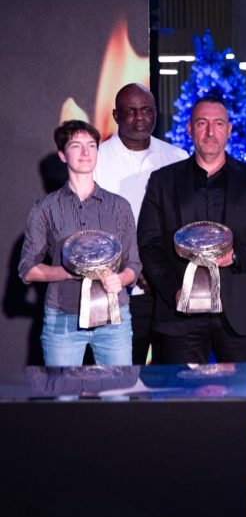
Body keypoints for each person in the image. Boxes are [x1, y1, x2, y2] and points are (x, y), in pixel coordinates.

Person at [137, 95, 246, 363]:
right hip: (179, 314)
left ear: (229, 129)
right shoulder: (163, 181)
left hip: (239, 312)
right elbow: (149, 243)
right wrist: (173, 290)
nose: (210, 132)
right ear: (190, 128)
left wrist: (236, 256)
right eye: (202, 123)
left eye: (218, 123)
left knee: (242, 390)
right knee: (182, 390)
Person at [19, 120, 140, 366]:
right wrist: (69, 272)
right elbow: (27, 269)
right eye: (76, 145)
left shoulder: (119, 206)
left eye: (91, 145)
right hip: (62, 320)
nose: (85, 152)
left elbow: (134, 265)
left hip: (113, 320)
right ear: (63, 155)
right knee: (63, 390)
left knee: (117, 390)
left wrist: (120, 279)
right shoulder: (45, 208)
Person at [95, 83, 189, 364]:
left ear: (156, 113)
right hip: (121, 292)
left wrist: (159, 272)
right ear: (116, 115)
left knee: (171, 378)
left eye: (146, 110)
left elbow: (185, 224)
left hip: (170, 289)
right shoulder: (97, 159)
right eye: (130, 111)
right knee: (122, 378)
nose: (139, 118)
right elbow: (92, 229)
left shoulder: (177, 157)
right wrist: (133, 270)